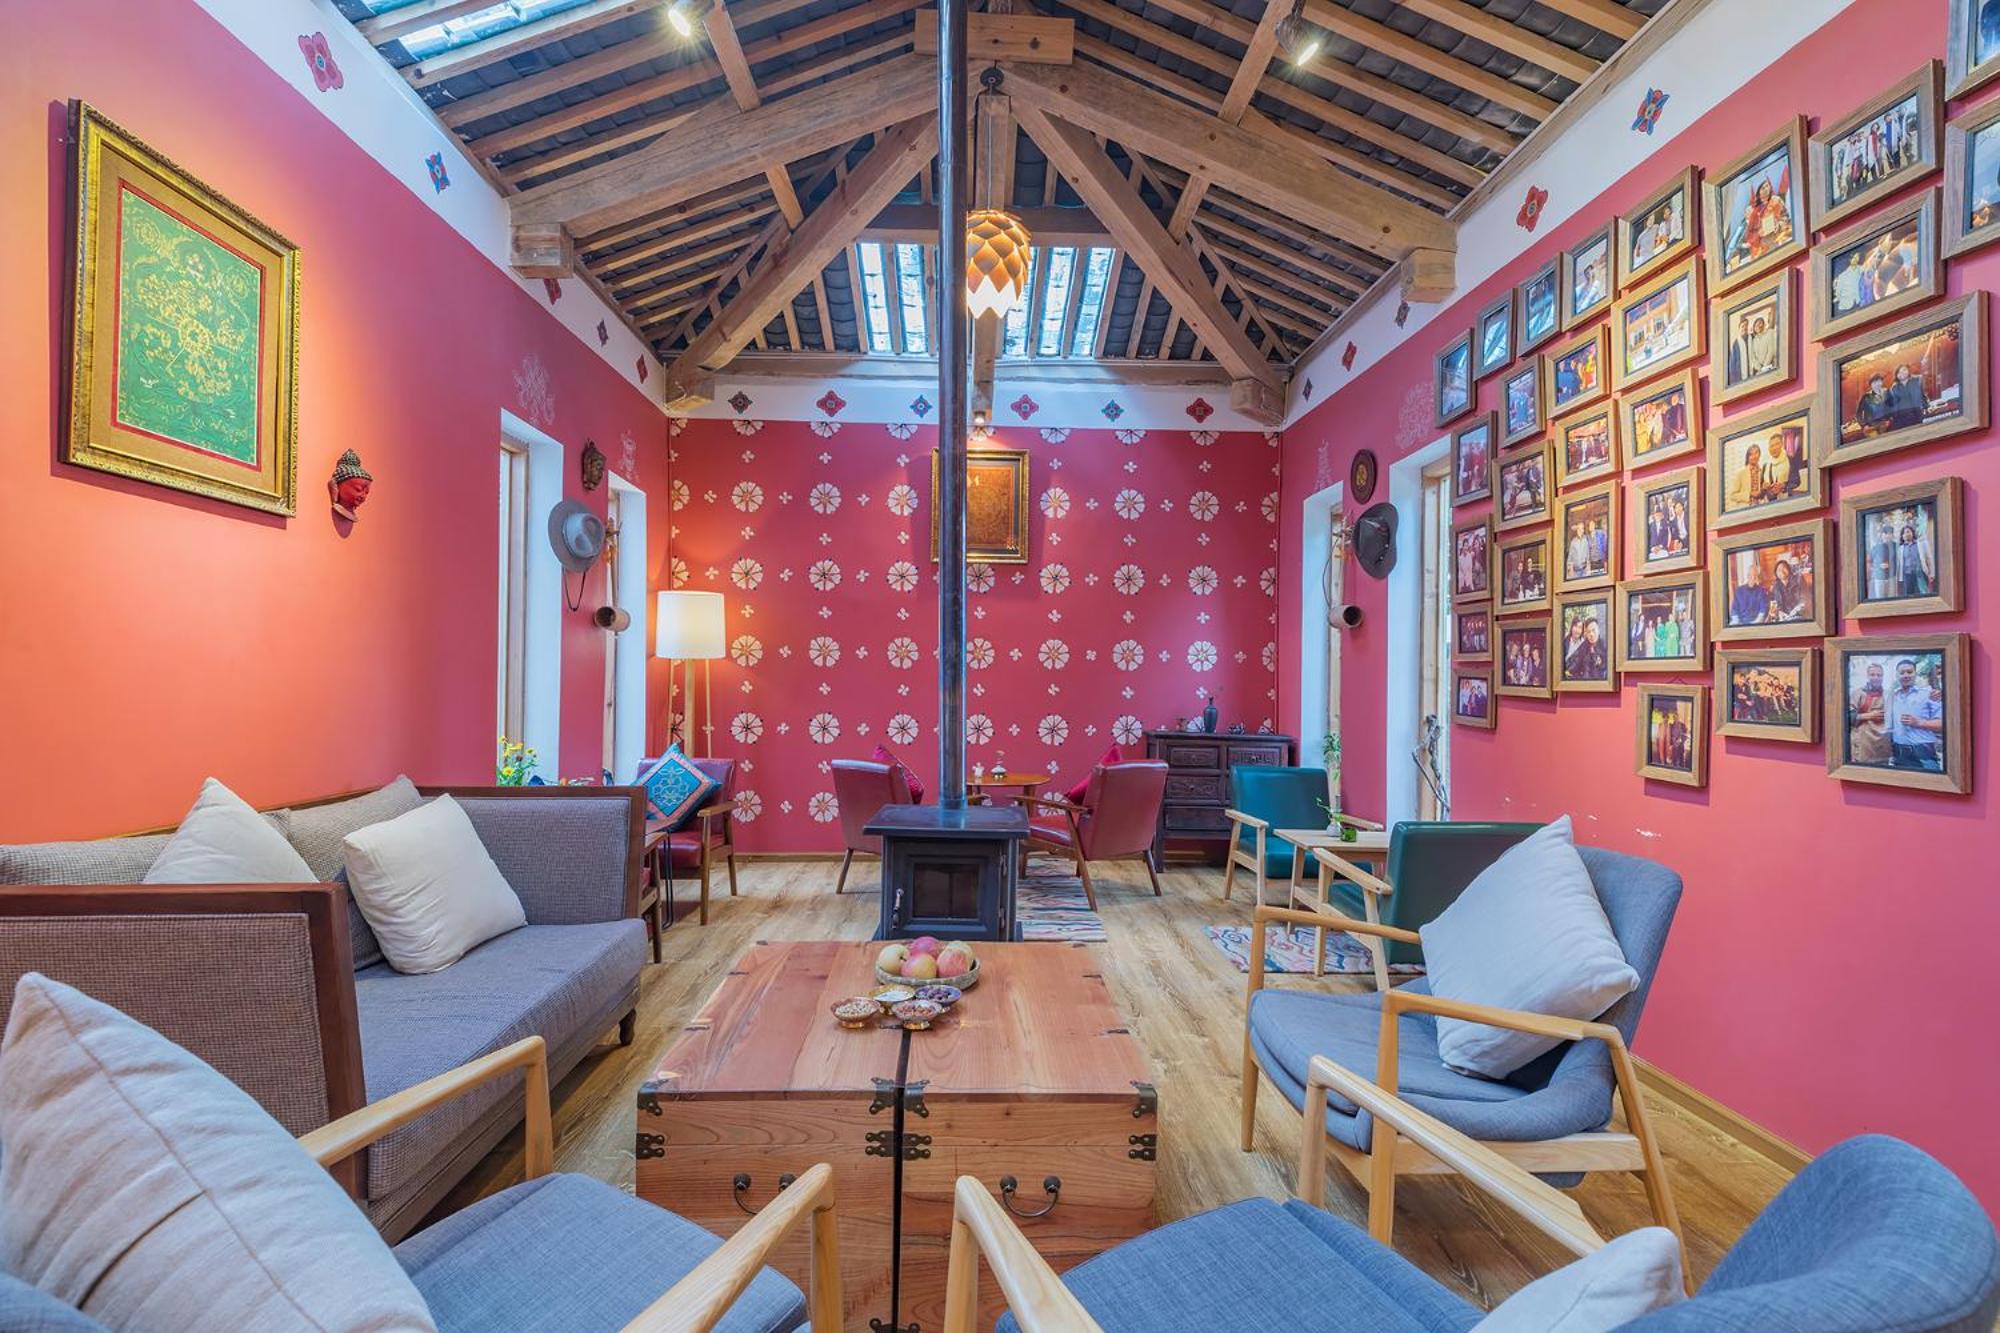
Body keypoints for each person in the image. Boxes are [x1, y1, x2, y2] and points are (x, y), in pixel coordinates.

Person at [1887, 657, 1944, 769]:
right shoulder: (1892, 696)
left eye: (1909, 672)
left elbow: (1942, 724)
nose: (1906, 675)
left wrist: (1919, 722)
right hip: (1899, 754)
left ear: (1915, 674)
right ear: (1897, 675)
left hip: (1923, 752)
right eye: (1902, 673)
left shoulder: (1929, 694)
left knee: (1932, 780)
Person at [1849, 661, 1892, 763]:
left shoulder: (1888, 694)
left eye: (1879, 675)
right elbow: (1848, 717)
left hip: (1883, 745)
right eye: (1872, 675)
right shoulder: (1858, 693)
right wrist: (1869, 715)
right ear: (1867, 676)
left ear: (1883, 677)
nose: (1876, 677)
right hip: (1864, 744)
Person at [1896, 521, 1936, 597]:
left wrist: (1932, 574)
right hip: (1907, 576)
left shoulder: (1921, 544)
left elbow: (1929, 559)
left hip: (1920, 574)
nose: (1906, 534)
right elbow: (1898, 564)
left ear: (1912, 533)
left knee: (1922, 595)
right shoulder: (1900, 549)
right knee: (1908, 597)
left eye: (1908, 532)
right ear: (1902, 536)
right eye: (1904, 533)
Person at [1886, 363, 1927, 430]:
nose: (1902, 373)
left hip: (1919, 413)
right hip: (1903, 418)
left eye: (1904, 370)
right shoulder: (1894, 388)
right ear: (1896, 375)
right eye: (1899, 372)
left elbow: (1924, 395)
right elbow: (1895, 405)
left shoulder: (1918, 379)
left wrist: (1926, 407)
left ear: (1908, 370)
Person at [1767, 557, 1809, 621]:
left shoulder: (1799, 579)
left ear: (1789, 569)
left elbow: (1805, 599)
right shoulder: (1775, 586)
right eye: (1778, 570)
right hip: (1783, 617)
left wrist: (1795, 612)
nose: (1781, 571)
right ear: (1776, 574)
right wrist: (1777, 613)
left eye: (1784, 568)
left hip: (1798, 615)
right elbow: (1773, 604)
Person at [1730, 560, 1770, 625]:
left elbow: (1763, 610)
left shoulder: (1762, 591)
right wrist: (1737, 623)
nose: (1753, 577)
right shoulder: (1739, 591)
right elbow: (1734, 609)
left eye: (1755, 575)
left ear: (1757, 577)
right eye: (1751, 575)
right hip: (1741, 623)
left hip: (1756, 622)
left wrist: (1755, 623)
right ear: (1747, 576)